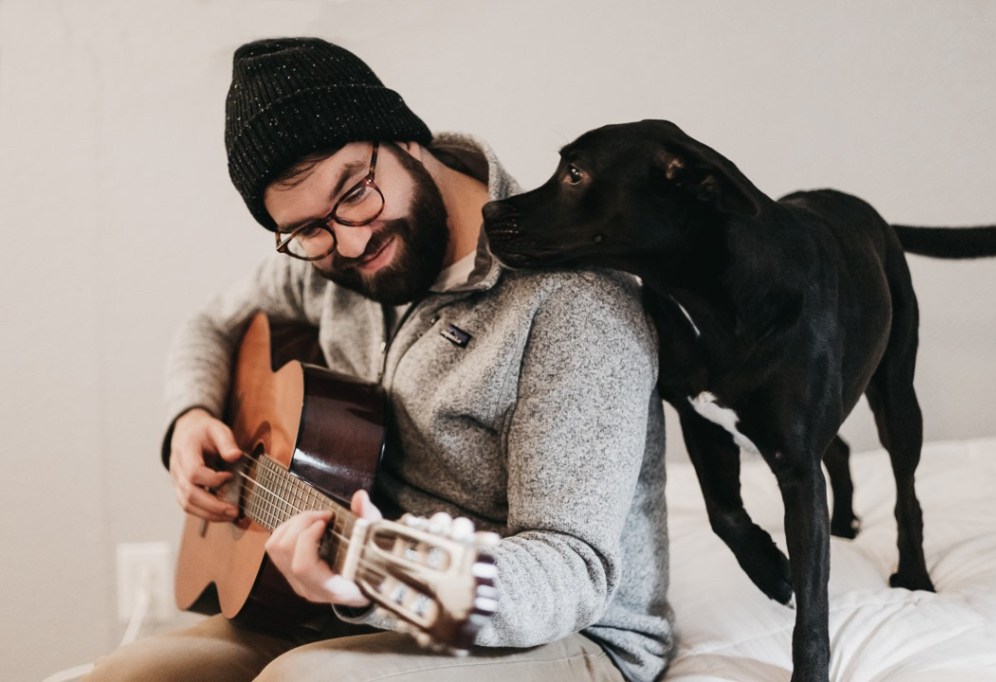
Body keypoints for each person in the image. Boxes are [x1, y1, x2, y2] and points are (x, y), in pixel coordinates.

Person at [87, 37, 673, 682]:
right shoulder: (327, 266)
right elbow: (211, 323)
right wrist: (190, 415)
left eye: (356, 193)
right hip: (339, 612)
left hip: (564, 637)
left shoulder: (573, 298)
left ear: (406, 138)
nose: (352, 239)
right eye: (308, 229)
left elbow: (570, 569)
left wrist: (381, 582)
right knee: (129, 673)